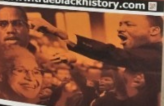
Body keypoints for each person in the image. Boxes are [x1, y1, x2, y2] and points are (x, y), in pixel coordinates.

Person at [28, 14, 162, 74]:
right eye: (120, 24)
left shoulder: (156, 55)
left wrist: (57, 32)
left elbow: (109, 53)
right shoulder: (140, 56)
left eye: (129, 24)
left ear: (154, 31)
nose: (119, 29)